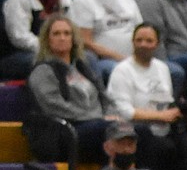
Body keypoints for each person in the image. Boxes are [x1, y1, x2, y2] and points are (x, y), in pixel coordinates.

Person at [107, 21, 187, 170]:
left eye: (149, 41)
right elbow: (126, 112)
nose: (144, 44)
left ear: (157, 44)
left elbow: (166, 100)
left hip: (164, 126)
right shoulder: (122, 71)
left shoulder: (162, 68)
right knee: (161, 147)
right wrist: (161, 116)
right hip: (134, 129)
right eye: (139, 40)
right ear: (133, 42)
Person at [24, 13, 118, 161]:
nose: (62, 38)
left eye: (67, 33)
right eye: (56, 33)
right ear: (47, 40)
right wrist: (97, 119)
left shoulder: (83, 67)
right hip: (66, 131)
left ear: (73, 39)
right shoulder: (42, 71)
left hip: (97, 126)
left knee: (141, 133)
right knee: (114, 132)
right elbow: (54, 107)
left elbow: (105, 97)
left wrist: (113, 116)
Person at [68, 0, 142, 78]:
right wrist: (121, 59)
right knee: (116, 71)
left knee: (173, 72)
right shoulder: (82, 0)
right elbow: (85, 41)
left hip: (135, 58)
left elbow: (141, 31)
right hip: (103, 61)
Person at [3, 0, 70, 78]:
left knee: (87, 58)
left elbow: (72, 28)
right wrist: (51, 47)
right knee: (48, 62)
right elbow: (19, 37)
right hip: (20, 54)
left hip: (56, 49)